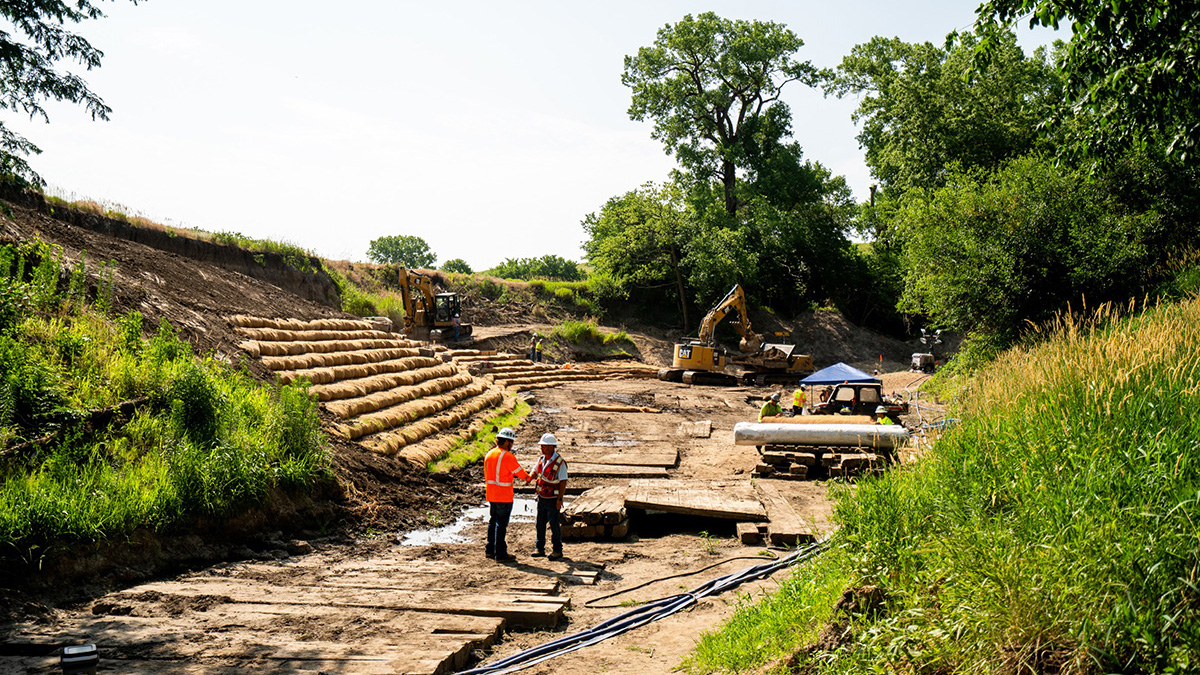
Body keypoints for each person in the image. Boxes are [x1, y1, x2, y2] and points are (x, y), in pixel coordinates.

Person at [483, 427, 530, 562]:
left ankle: (490, 550)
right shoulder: (507, 456)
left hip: (491, 494)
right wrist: (528, 477)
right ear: (507, 442)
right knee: (501, 525)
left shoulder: (489, 454)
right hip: (503, 495)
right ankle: (501, 554)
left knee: (493, 521)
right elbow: (520, 473)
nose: (512, 445)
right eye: (512, 442)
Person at [531, 432, 568, 560]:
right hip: (542, 497)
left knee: (554, 525)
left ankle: (557, 550)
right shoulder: (541, 459)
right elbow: (535, 471)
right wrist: (529, 476)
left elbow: (563, 481)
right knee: (540, 524)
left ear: (551, 447)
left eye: (544, 446)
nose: (541, 448)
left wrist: (560, 499)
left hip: (553, 499)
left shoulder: (559, 463)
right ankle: (539, 548)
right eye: (541, 446)